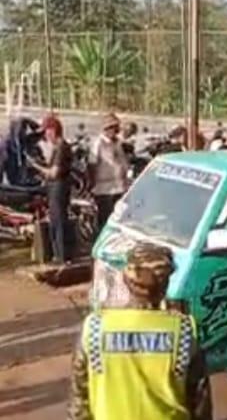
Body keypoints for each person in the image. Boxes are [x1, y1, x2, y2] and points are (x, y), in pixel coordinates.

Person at [68, 242, 213, 420]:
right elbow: (200, 406)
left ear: (126, 281)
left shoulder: (94, 328)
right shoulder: (183, 331)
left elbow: (80, 402)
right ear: (165, 285)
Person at [28, 115, 73, 265]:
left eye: (46, 131)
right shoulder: (58, 147)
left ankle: (62, 256)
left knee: (58, 220)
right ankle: (59, 254)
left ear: (53, 130)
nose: (46, 136)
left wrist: (36, 166)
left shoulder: (61, 147)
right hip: (57, 187)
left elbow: (54, 172)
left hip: (58, 187)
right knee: (56, 220)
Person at [89, 114, 129, 233]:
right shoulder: (99, 143)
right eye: (112, 127)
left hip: (119, 188)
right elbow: (92, 164)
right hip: (104, 190)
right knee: (105, 220)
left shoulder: (117, 143)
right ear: (106, 129)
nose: (115, 130)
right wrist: (92, 184)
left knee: (119, 218)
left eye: (116, 127)